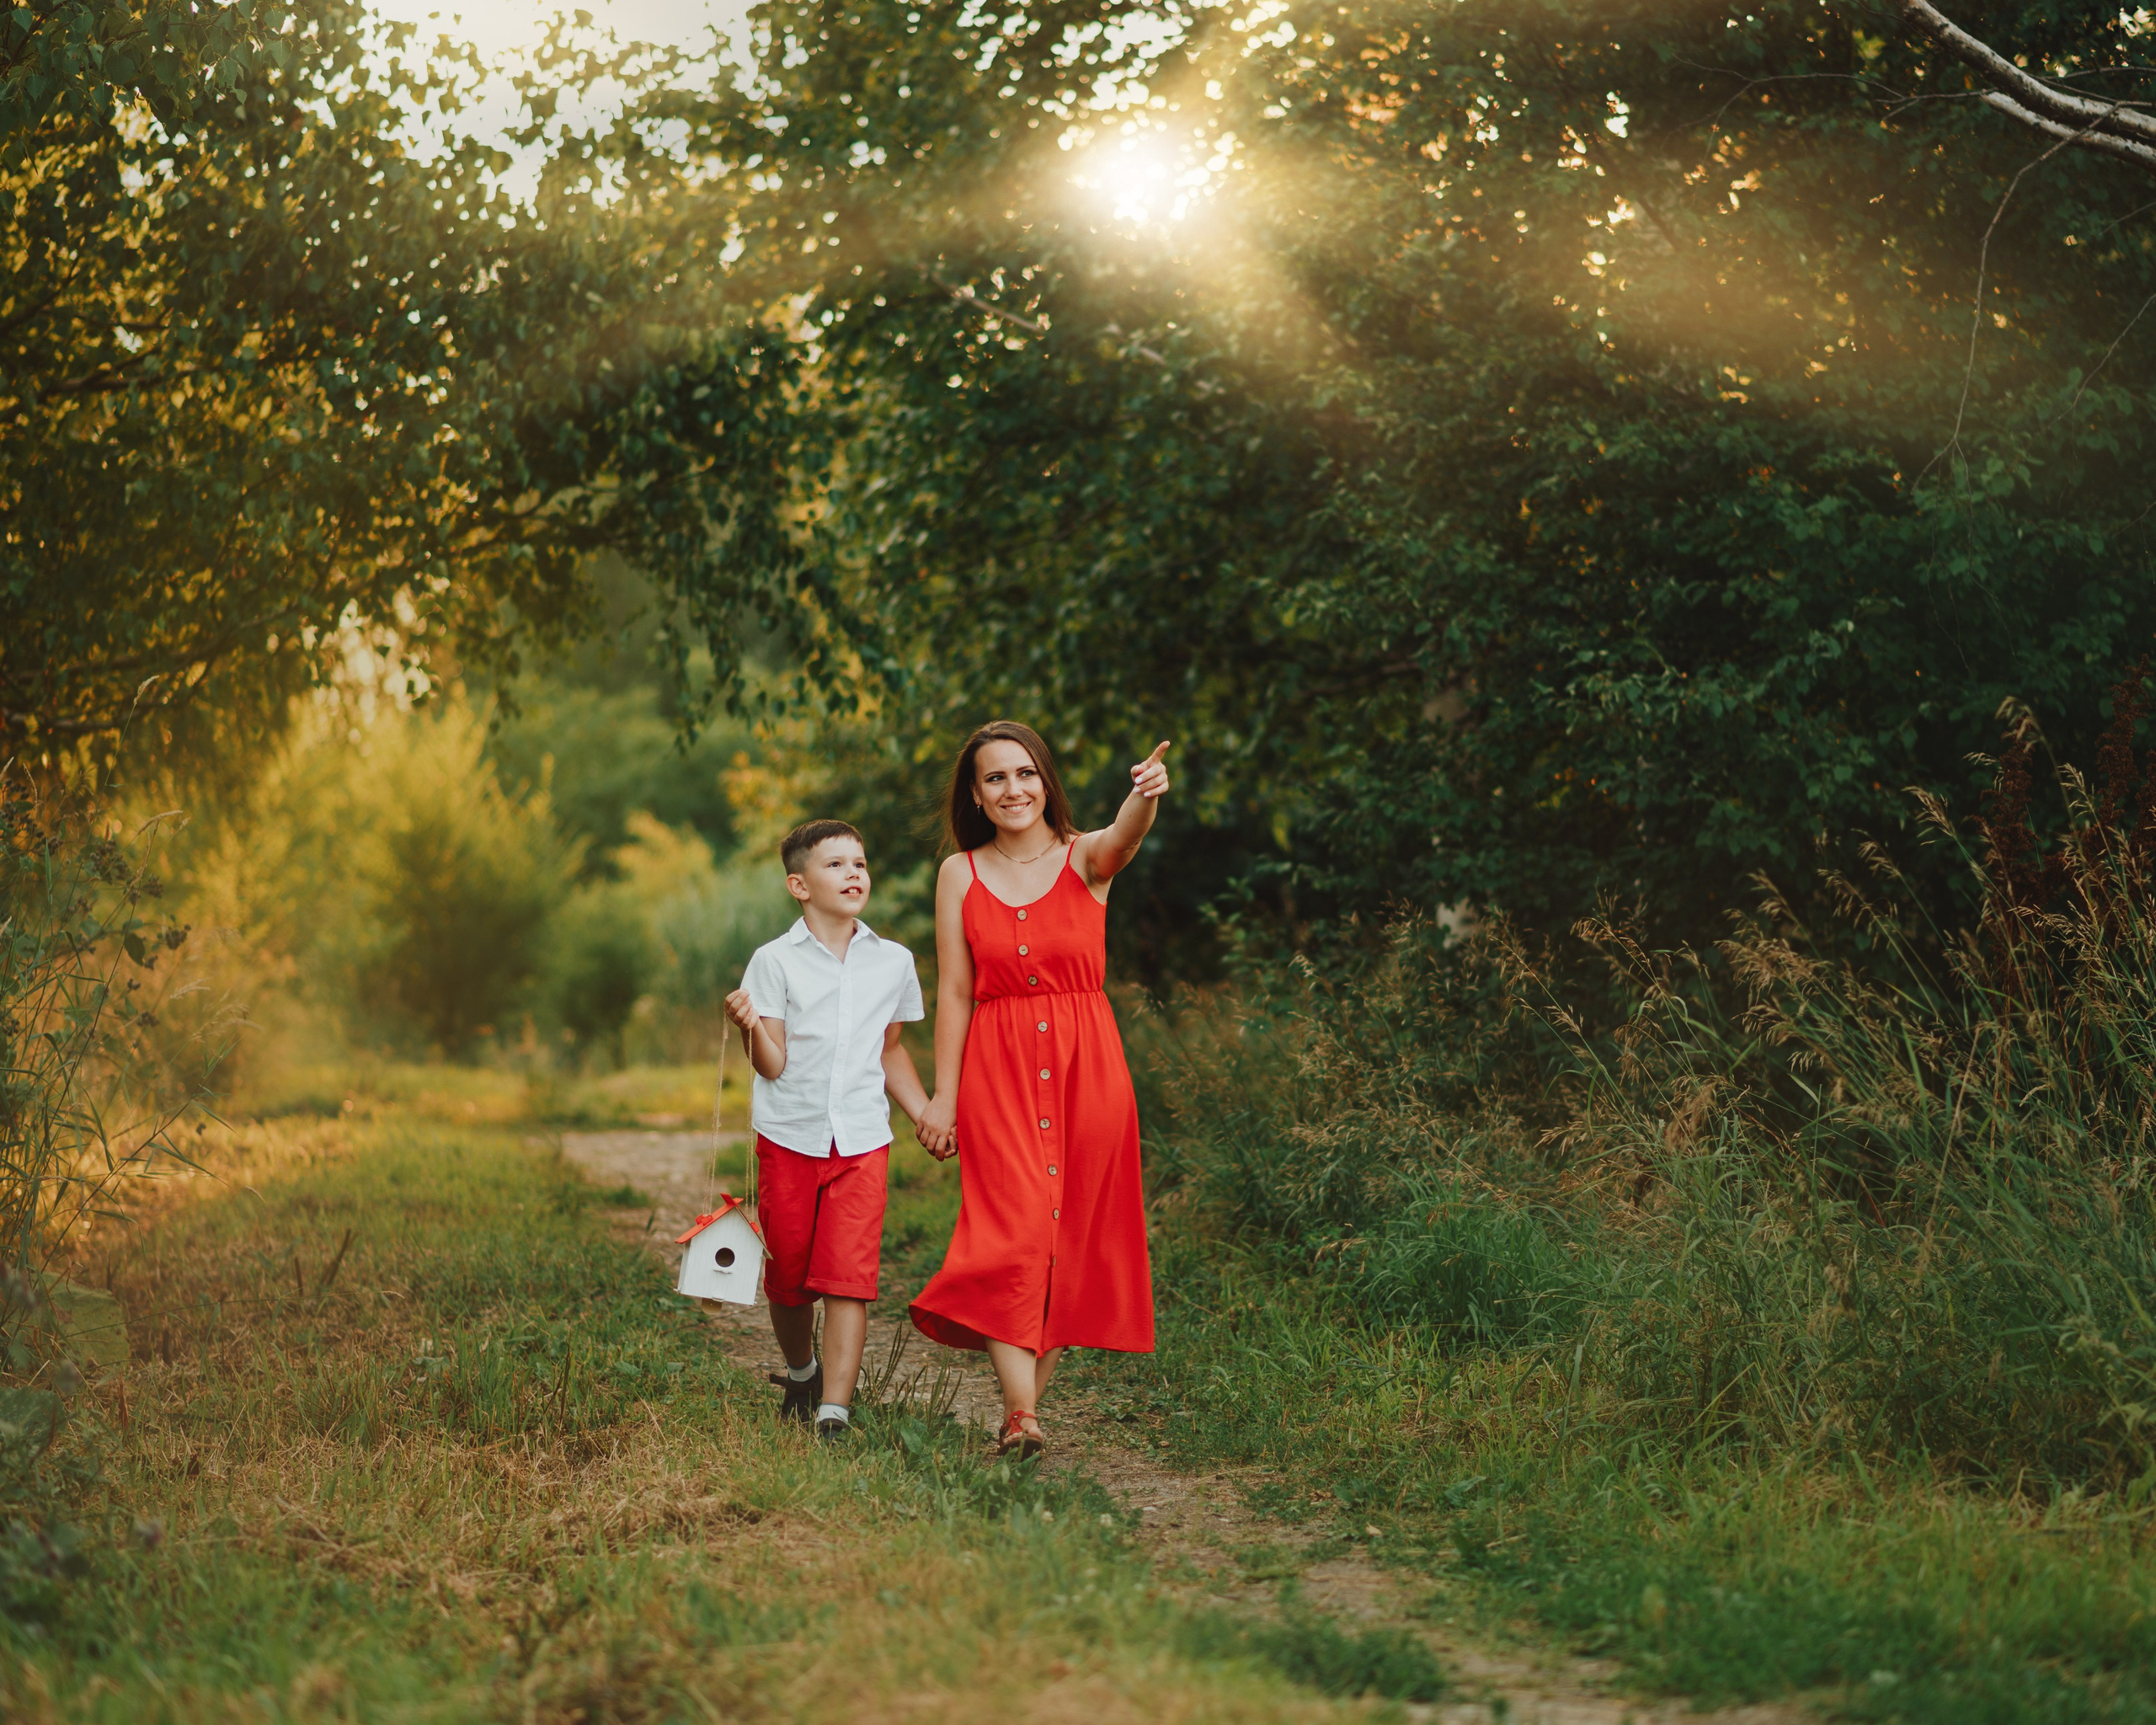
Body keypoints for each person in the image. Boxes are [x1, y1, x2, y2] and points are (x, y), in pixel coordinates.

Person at [909, 722, 1171, 1456]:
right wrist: (942, 1095)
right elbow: (956, 993)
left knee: (1072, 1246)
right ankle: (1023, 1415)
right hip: (998, 1073)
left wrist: (1144, 796)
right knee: (1010, 1237)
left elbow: (1126, 833)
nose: (1012, 789)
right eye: (994, 779)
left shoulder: (1085, 856)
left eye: (1024, 773)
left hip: (1091, 1073)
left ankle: (1021, 1416)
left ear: (1045, 780)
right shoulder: (958, 874)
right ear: (975, 795)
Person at [723, 819, 931, 1441]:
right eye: (836, 865)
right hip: (790, 1135)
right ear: (799, 884)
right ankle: (802, 1370)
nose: (854, 874)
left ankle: (834, 1410)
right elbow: (773, 1062)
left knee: (849, 1276)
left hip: (863, 1140)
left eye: (860, 863)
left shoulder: (893, 962)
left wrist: (923, 1113)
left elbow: (889, 1050)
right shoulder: (773, 961)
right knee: (788, 1279)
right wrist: (748, 1027)